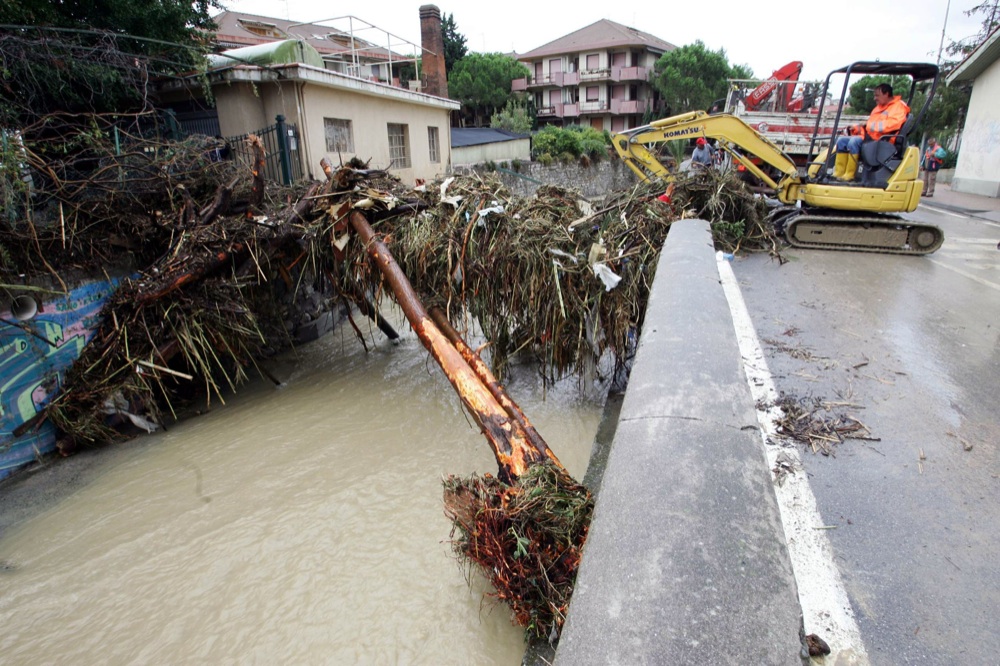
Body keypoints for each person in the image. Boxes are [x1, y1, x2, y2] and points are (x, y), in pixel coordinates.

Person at [832, 83, 910, 182]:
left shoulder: (898, 107)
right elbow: (869, 127)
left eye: (877, 95)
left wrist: (869, 126)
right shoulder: (879, 108)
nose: (874, 98)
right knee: (841, 141)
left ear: (886, 94)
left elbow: (892, 124)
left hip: (884, 141)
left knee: (854, 142)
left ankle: (849, 174)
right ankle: (839, 173)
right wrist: (856, 128)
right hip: (872, 139)